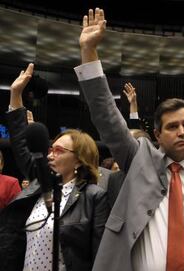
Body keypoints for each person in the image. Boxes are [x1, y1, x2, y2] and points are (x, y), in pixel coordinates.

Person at [74, 8, 184, 271]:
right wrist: (89, 52)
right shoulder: (139, 157)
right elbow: (106, 116)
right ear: (157, 135)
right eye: (173, 126)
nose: (182, 131)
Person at [0, 63, 109, 271]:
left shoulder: (94, 197)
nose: (50, 154)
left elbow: (100, 257)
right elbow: (22, 146)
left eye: (59, 151)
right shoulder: (41, 183)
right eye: (51, 149)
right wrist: (15, 94)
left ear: (79, 159)